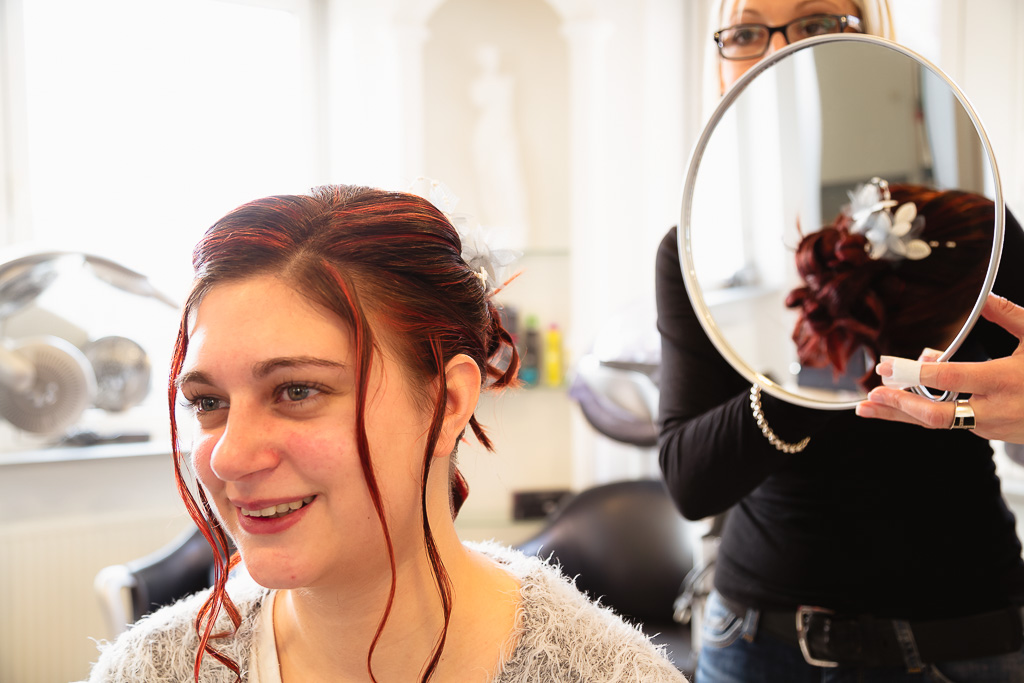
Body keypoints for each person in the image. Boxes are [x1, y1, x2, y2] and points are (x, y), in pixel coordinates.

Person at [88, 184, 686, 682]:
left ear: (447, 401)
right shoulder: (150, 670)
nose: (231, 457)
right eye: (207, 402)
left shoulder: (608, 674)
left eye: (297, 391)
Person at [656, 1, 1024, 681]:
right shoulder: (693, 253)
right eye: (744, 30)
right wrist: (813, 374)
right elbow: (689, 478)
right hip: (759, 643)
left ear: (878, 37)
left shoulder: (980, 229)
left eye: (817, 20)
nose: (777, 49)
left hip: (966, 638)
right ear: (720, 64)